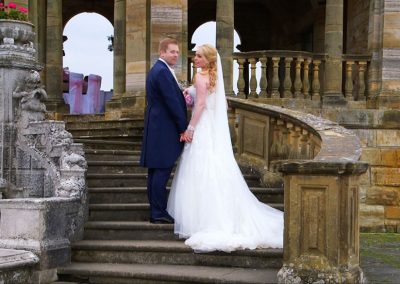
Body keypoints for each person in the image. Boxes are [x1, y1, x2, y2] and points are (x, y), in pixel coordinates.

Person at [167, 44, 284, 252]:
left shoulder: (201, 77)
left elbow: (201, 105)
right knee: (213, 168)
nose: (195, 58)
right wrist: (189, 92)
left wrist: (190, 128)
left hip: (203, 127)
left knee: (201, 170)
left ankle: (205, 221)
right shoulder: (212, 78)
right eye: (196, 56)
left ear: (208, 60)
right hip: (211, 127)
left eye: (199, 56)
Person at [140, 37, 189, 224]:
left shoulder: (160, 70)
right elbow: (172, 103)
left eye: (177, 52)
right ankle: (158, 212)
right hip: (163, 128)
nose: (176, 55)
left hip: (158, 126)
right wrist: (183, 127)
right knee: (161, 170)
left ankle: (156, 209)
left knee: (156, 171)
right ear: (162, 53)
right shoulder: (161, 72)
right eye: (172, 51)